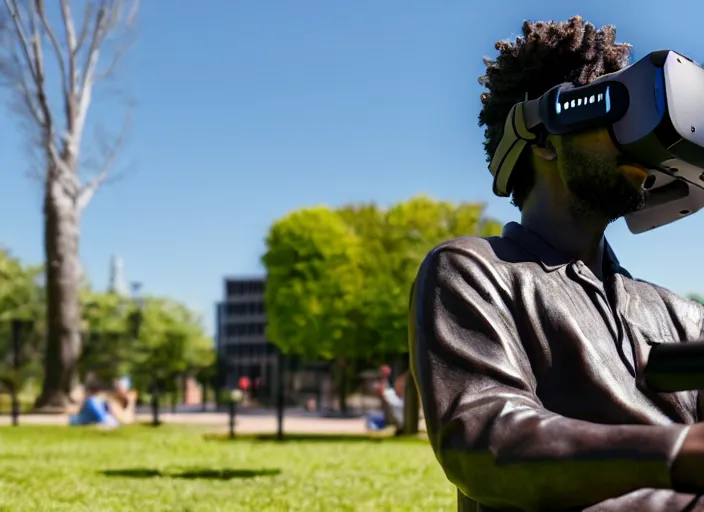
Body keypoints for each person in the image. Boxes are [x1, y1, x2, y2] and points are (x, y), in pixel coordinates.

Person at [410, 16, 704, 512]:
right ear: (549, 134)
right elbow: (486, 442)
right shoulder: (473, 272)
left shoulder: (680, 315)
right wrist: (677, 451)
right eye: (624, 114)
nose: (639, 140)